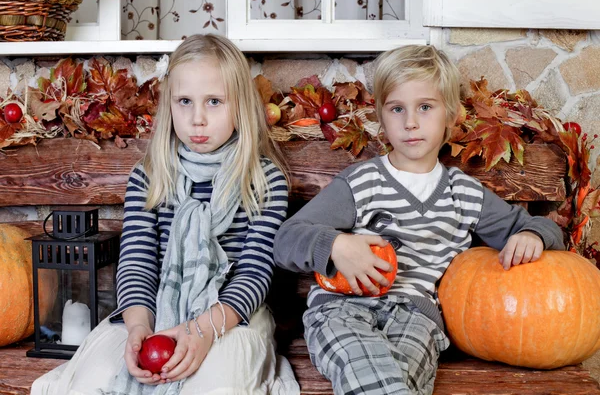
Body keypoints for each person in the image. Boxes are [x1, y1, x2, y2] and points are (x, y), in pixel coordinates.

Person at [273, 44, 565, 395]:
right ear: (381, 117)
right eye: (397, 109)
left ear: (451, 115)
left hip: (417, 318)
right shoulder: (361, 183)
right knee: (364, 366)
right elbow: (287, 239)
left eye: (425, 107)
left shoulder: (465, 194)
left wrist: (533, 235)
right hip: (342, 309)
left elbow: (544, 229)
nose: (410, 122)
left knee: (392, 383)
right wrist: (335, 245)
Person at [32, 34, 300, 395]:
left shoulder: (262, 178)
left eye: (215, 102)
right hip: (156, 308)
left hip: (233, 315)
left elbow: (255, 270)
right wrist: (139, 327)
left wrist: (202, 331)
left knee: (217, 385)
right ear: (169, 105)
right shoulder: (151, 175)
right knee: (93, 381)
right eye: (185, 101)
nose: (197, 119)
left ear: (240, 107)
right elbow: (137, 262)